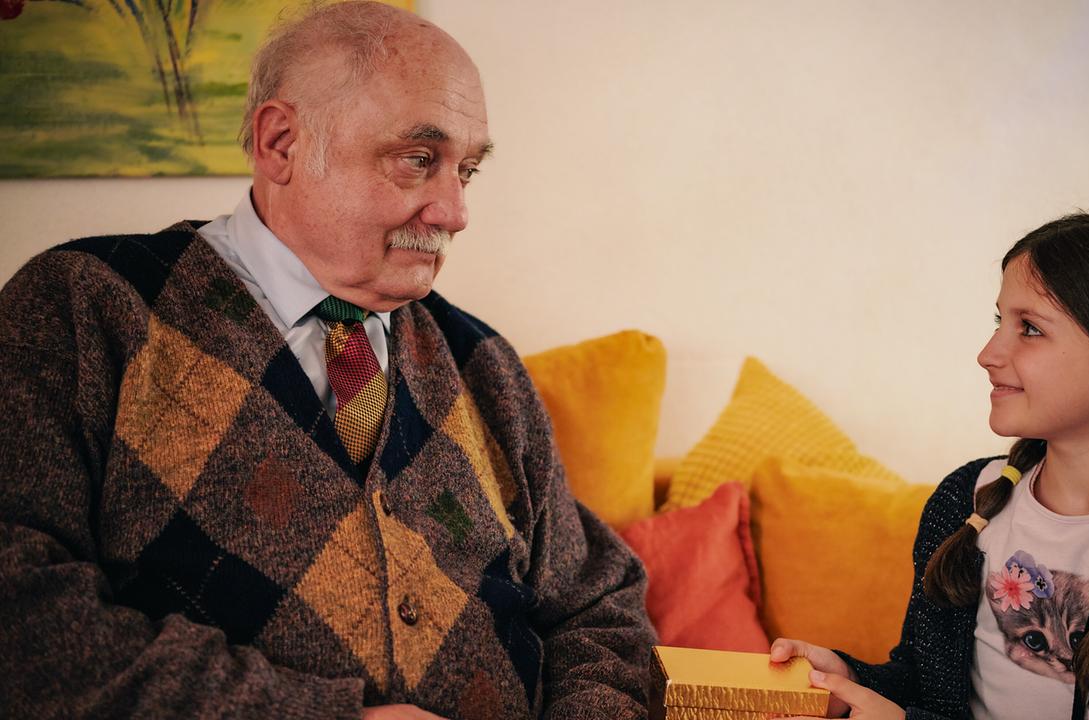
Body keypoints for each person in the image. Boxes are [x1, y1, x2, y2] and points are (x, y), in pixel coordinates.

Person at [0, 2, 655, 718]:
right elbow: (23, 615)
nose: (456, 210)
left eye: (465, 169)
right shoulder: (85, 307)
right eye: (417, 160)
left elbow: (599, 606)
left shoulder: (482, 363)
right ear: (280, 143)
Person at [771, 214, 1089, 719]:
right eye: (999, 322)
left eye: (1029, 329)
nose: (988, 354)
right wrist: (848, 679)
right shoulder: (967, 498)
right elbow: (924, 684)